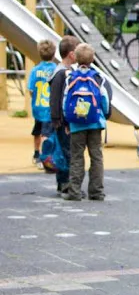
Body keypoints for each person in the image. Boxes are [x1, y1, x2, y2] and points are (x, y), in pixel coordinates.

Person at [62, 43, 110, 201]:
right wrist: (105, 114)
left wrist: (67, 120)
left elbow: (65, 102)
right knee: (96, 157)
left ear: (75, 57)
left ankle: (74, 191)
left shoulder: (70, 77)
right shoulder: (97, 77)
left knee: (77, 157)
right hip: (95, 122)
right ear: (93, 59)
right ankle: (96, 192)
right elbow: (104, 100)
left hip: (76, 124)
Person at [49, 35, 81, 196]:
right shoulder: (60, 73)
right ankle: (66, 182)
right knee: (66, 151)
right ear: (71, 54)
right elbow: (55, 98)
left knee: (65, 151)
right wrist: (57, 120)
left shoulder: (68, 71)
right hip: (62, 121)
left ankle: (64, 181)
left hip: (65, 120)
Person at [28, 40, 56, 169]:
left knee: (37, 131)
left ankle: (36, 154)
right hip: (49, 108)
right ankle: (46, 158)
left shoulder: (35, 70)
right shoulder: (56, 70)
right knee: (47, 133)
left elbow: (31, 90)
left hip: (38, 107)